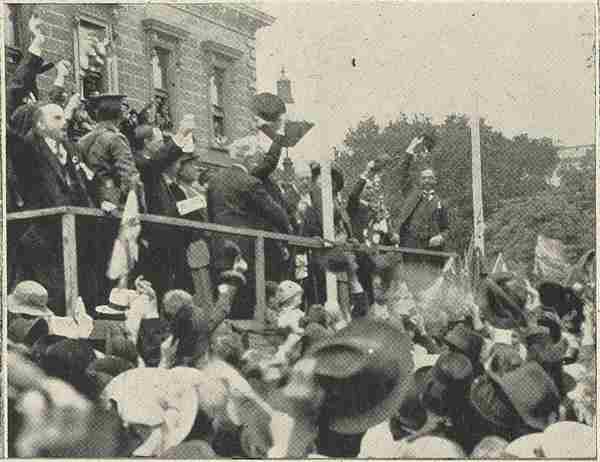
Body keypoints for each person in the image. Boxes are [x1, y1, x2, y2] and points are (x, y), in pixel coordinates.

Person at [207, 115, 293, 319]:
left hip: (219, 248)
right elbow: (276, 213)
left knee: (223, 298)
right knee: (243, 302)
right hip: (243, 251)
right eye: (256, 156)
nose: (258, 160)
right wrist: (288, 234)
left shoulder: (215, 181)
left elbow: (211, 215)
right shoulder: (249, 183)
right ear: (248, 158)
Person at [15, 102, 98, 312]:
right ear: (40, 125)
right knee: (53, 292)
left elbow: (81, 184)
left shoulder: (70, 147)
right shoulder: (29, 147)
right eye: (57, 118)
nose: (64, 123)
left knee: (81, 289)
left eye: (64, 117)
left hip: (73, 230)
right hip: (43, 232)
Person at [78, 93, 142, 211]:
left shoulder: (83, 140)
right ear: (117, 111)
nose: (127, 109)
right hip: (116, 207)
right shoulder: (116, 138)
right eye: (124, 105)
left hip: (94, 203)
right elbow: (129, 177)